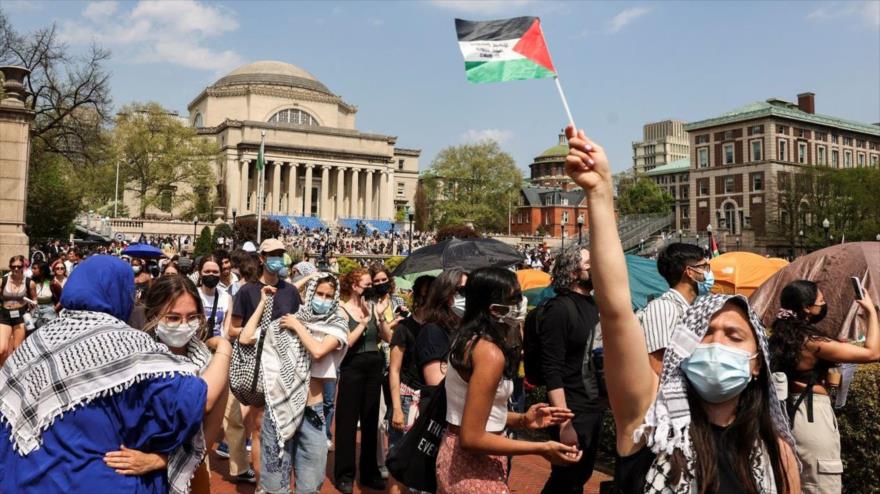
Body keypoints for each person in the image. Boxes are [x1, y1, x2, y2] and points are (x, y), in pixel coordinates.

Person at [564, 125, 799, 493]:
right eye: (703, 332)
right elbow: (615, 312)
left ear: (757, 363)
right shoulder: (649, 423)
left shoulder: (776, 453)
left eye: (733, 335)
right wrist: (599, 192)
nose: (715, 342)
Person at [0, 256, 208, 494]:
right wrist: (222, 353)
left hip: (25, 480)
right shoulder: (128, 344)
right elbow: (188, 399)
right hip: (96, 479)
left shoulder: (39, 339)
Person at [436, 267, 580, 493]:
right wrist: (541, 448)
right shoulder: (489, 353)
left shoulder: (467, 340)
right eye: (514, 299)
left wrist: (523, 419)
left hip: (459, 459)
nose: (521, 304)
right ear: (494, 309)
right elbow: (472, 437)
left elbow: (476, 412)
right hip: (474, 467)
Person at [103, 274, 234, 492]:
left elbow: (209, 429)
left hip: (189, 473)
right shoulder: (134, 361)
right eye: (173, 318)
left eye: (192, 317)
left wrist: (159, 460)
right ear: (154, 315)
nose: (184, 325)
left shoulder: (212, 364)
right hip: (134, 475)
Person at [769, 280, 879, 493]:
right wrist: (870, 313)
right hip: (811, 416)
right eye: (821, 301)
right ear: (806, 308)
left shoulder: (781, 336)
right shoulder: (811, 341)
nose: (824, 304)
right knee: (820, 482)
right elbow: (873, 352)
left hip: (786, 414)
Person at [253, 273, 349, 494]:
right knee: (274, 485)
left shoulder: (337, 325)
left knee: (310, 484)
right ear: (310, 293)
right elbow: (249, 337)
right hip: (279, 410)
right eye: (319, 293)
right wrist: (262, 304)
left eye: (328, 296)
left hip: (312, 413)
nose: (323, 299)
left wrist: (297, 326)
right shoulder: (291, 319)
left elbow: (317, 351)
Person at [229, 238, 303, 485]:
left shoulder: (291, 292)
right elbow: (233, 330)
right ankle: (263, 483)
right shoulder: (247, 291)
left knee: (286, 427)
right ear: (261, 258)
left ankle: (281, 480)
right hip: (258, 366)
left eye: (281, 253)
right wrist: (259, 335)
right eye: (272, 254)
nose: (277, 258)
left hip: (285, 366)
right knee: (260, 427)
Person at [538, 243, 603, 494]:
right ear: (574, 273)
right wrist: (564, 423)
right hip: (571, 409)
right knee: (566, 479)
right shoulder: (559, 308)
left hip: (592, 408)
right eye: (589, 265)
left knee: (580, 477)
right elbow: (551, 369)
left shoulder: (594, 305)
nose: (596, 269)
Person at [333, 268, 394, 493]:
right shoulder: (341, 310)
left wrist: (379, 317)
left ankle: (369, 473)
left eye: (371, 285)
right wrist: (363, 321)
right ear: (353, 286)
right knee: (347, 422)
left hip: (374, 365)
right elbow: (346, 342)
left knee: (370, 422)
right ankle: (345, 475)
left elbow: (387, 338)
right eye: (366, 285)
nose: (370, 288)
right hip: (352, 366)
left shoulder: (373, 307)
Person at [388, 274, 434, 494]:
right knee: (398, 460)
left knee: (426, 460)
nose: (426, 299)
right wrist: (396, 408)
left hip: (431, 400)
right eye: (422, 295)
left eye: (430, 294)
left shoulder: (441, 328)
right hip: (407, 399)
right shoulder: (404, 328)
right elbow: (394, 370)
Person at [641, 242, 710, 374]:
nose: (708, 273)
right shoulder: (663, 307)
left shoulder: (694, 307)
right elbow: (658, 367)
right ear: (690, 272)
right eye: (704, 267)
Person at [416, 268, 467, 387]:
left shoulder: (466, 329)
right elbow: (436, 382)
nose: (468, 296)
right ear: (445, 294)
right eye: (463, 291)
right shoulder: (432, 331)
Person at [0, 256, 37, 364]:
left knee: (17, 349)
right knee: (2, 349)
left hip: (21, 316)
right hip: (5, 315)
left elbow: (34, 299)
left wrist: (33, 304)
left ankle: (12, 372)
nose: (16, 269)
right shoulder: (3, 280)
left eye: (19, 266)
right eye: (13, 266)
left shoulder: (30, 283)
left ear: (23, 267)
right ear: (10, 267)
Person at [196, 255, 233, 339]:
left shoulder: (226, 297)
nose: (211, 274)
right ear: (200, 273)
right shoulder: (192, 294)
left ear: (220, 274)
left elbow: (226, 330)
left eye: (215, 272)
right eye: (207, 271)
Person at [29, 261, 57, 330]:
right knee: (32, 331)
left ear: (42, 270)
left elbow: (62, 297)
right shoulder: (31, 282)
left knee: (48, 330)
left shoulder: (52, 282)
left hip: (49, 310)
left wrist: (55, 308)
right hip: (35, 310)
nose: (32, 270)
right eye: (32, 268)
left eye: (35, 268)